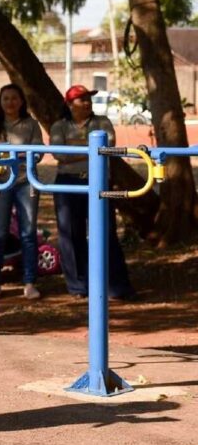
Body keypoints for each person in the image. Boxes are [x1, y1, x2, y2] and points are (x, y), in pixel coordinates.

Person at [49, 84, 135, 300]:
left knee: (106, 232)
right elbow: (60, 155)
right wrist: (91, 151)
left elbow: (108, 147)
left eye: (88, 99)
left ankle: (116, 286)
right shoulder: (59, 126)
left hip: (98, 182)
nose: (87, 103)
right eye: (81, 99)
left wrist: (80, 150)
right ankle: (79, 286)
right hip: (68, 182)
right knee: (71, 234)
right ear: (69, 105)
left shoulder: (102, 122)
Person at [0, 83, 45, 300]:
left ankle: (29, 281)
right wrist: (19, 152)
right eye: (6, 98)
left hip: (26, 181)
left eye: (14, 98)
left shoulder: (31, 124)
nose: (10, 102)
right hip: (0, 182)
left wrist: (8, 150)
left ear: (22, 101)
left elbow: (38, 152)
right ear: (0, 102)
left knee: (28, 232)